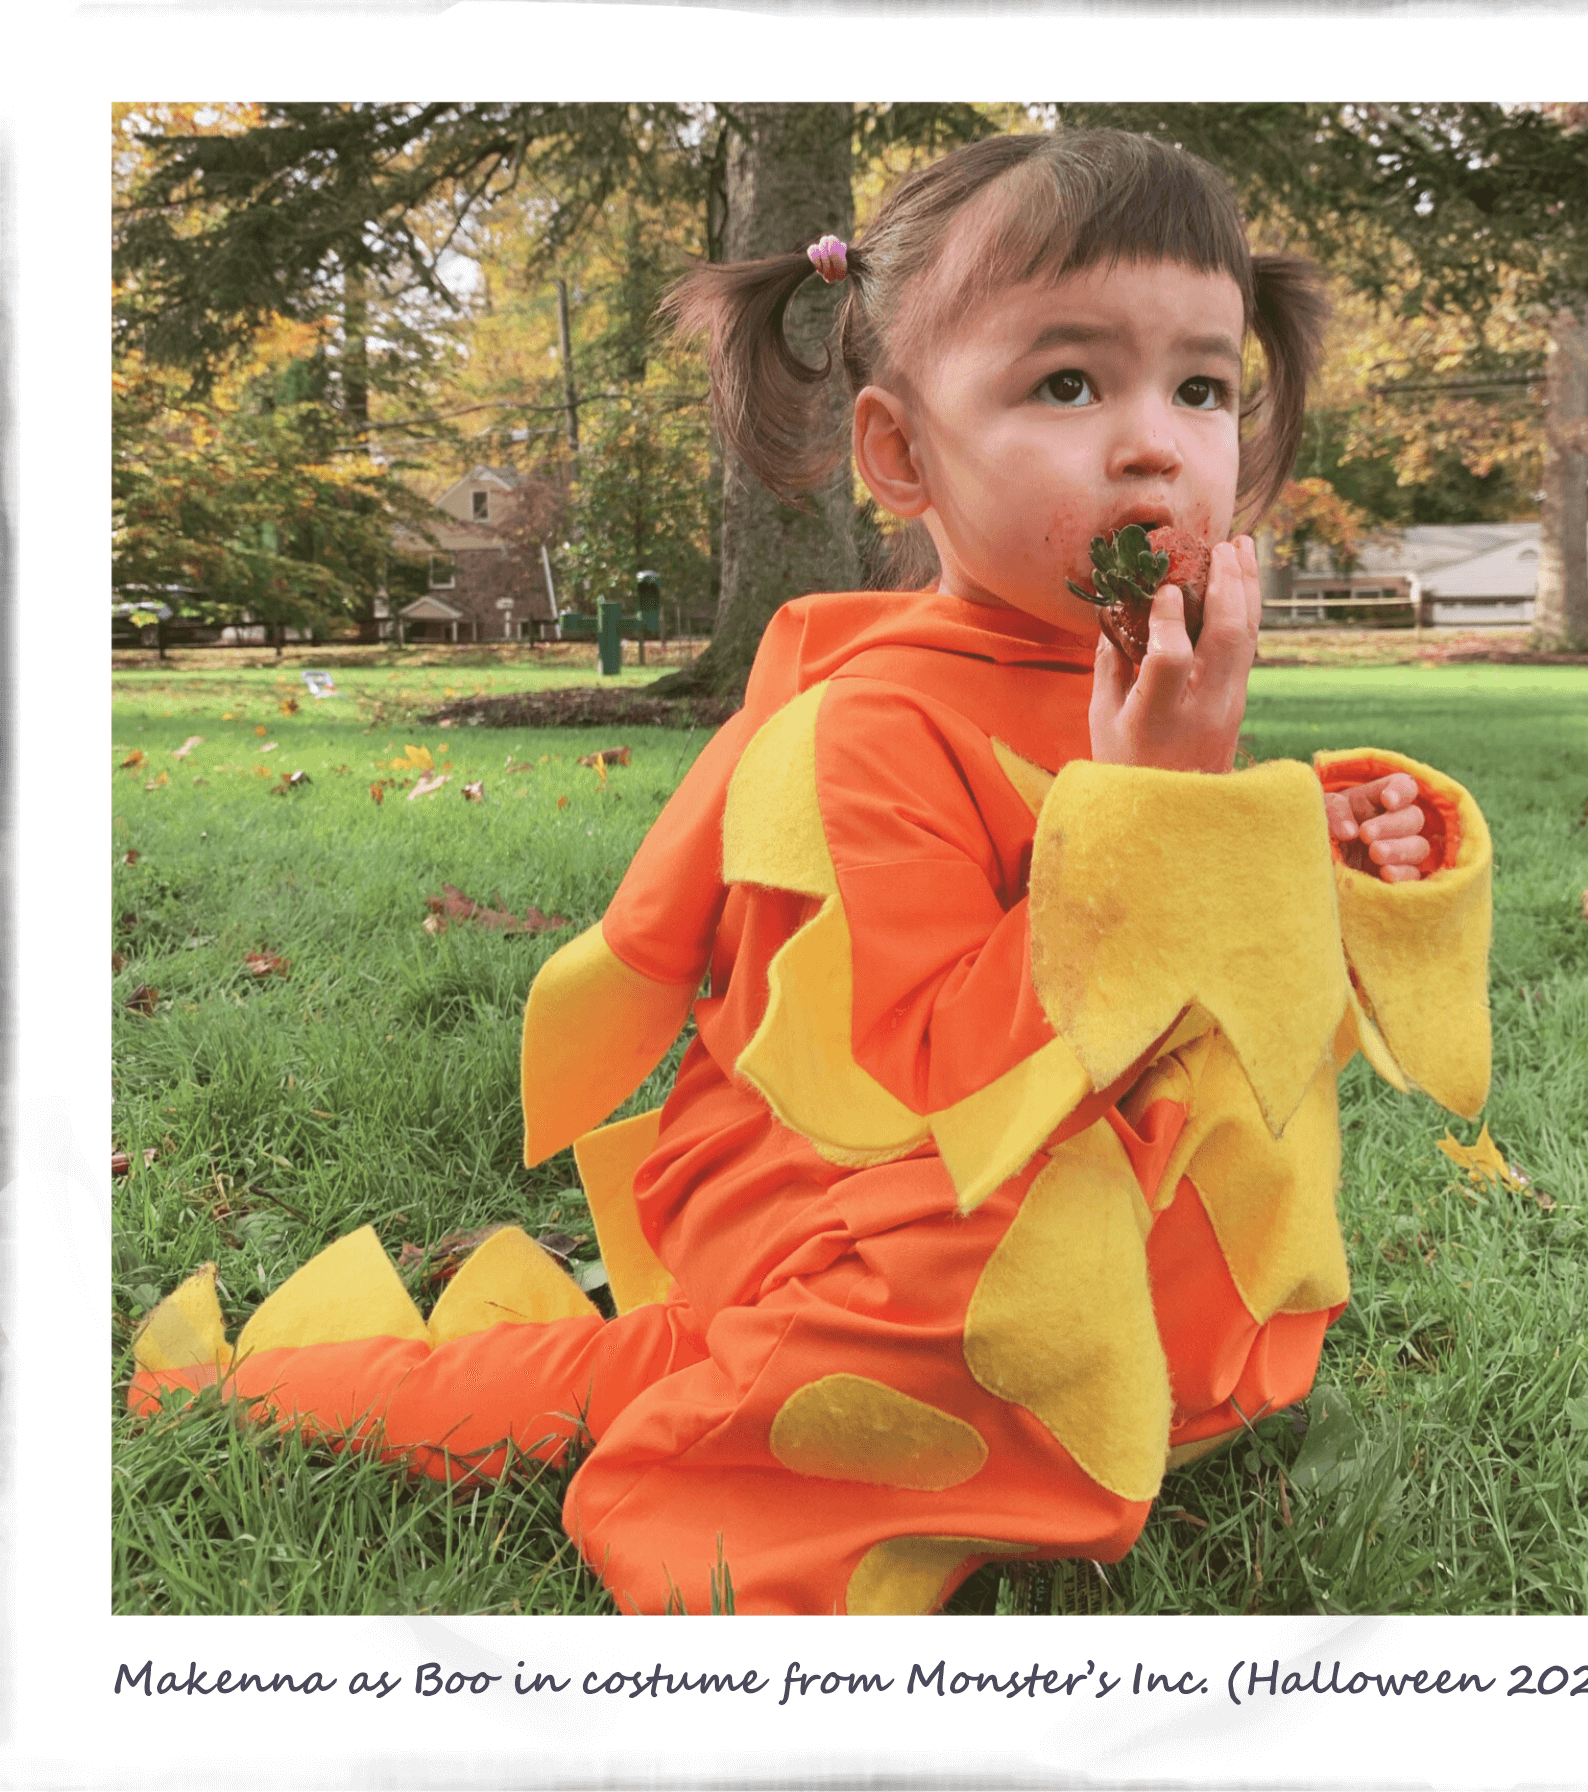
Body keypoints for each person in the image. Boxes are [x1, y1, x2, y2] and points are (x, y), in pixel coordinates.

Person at [130, 130, 1491, 1617]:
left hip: (1018, 1155)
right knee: (941, 1288)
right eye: (1067, 383)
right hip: (828, 1202)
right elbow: (929, 1068)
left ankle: (1099, 1385)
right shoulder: (869, 727)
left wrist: (1312, 853)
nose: (1155, 442)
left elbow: (1169, 983)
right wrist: (1166, 818)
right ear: (902, 454)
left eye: (1203, 386)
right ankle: (723, 1456)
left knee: (1214, 1150)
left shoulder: (1125, 668)